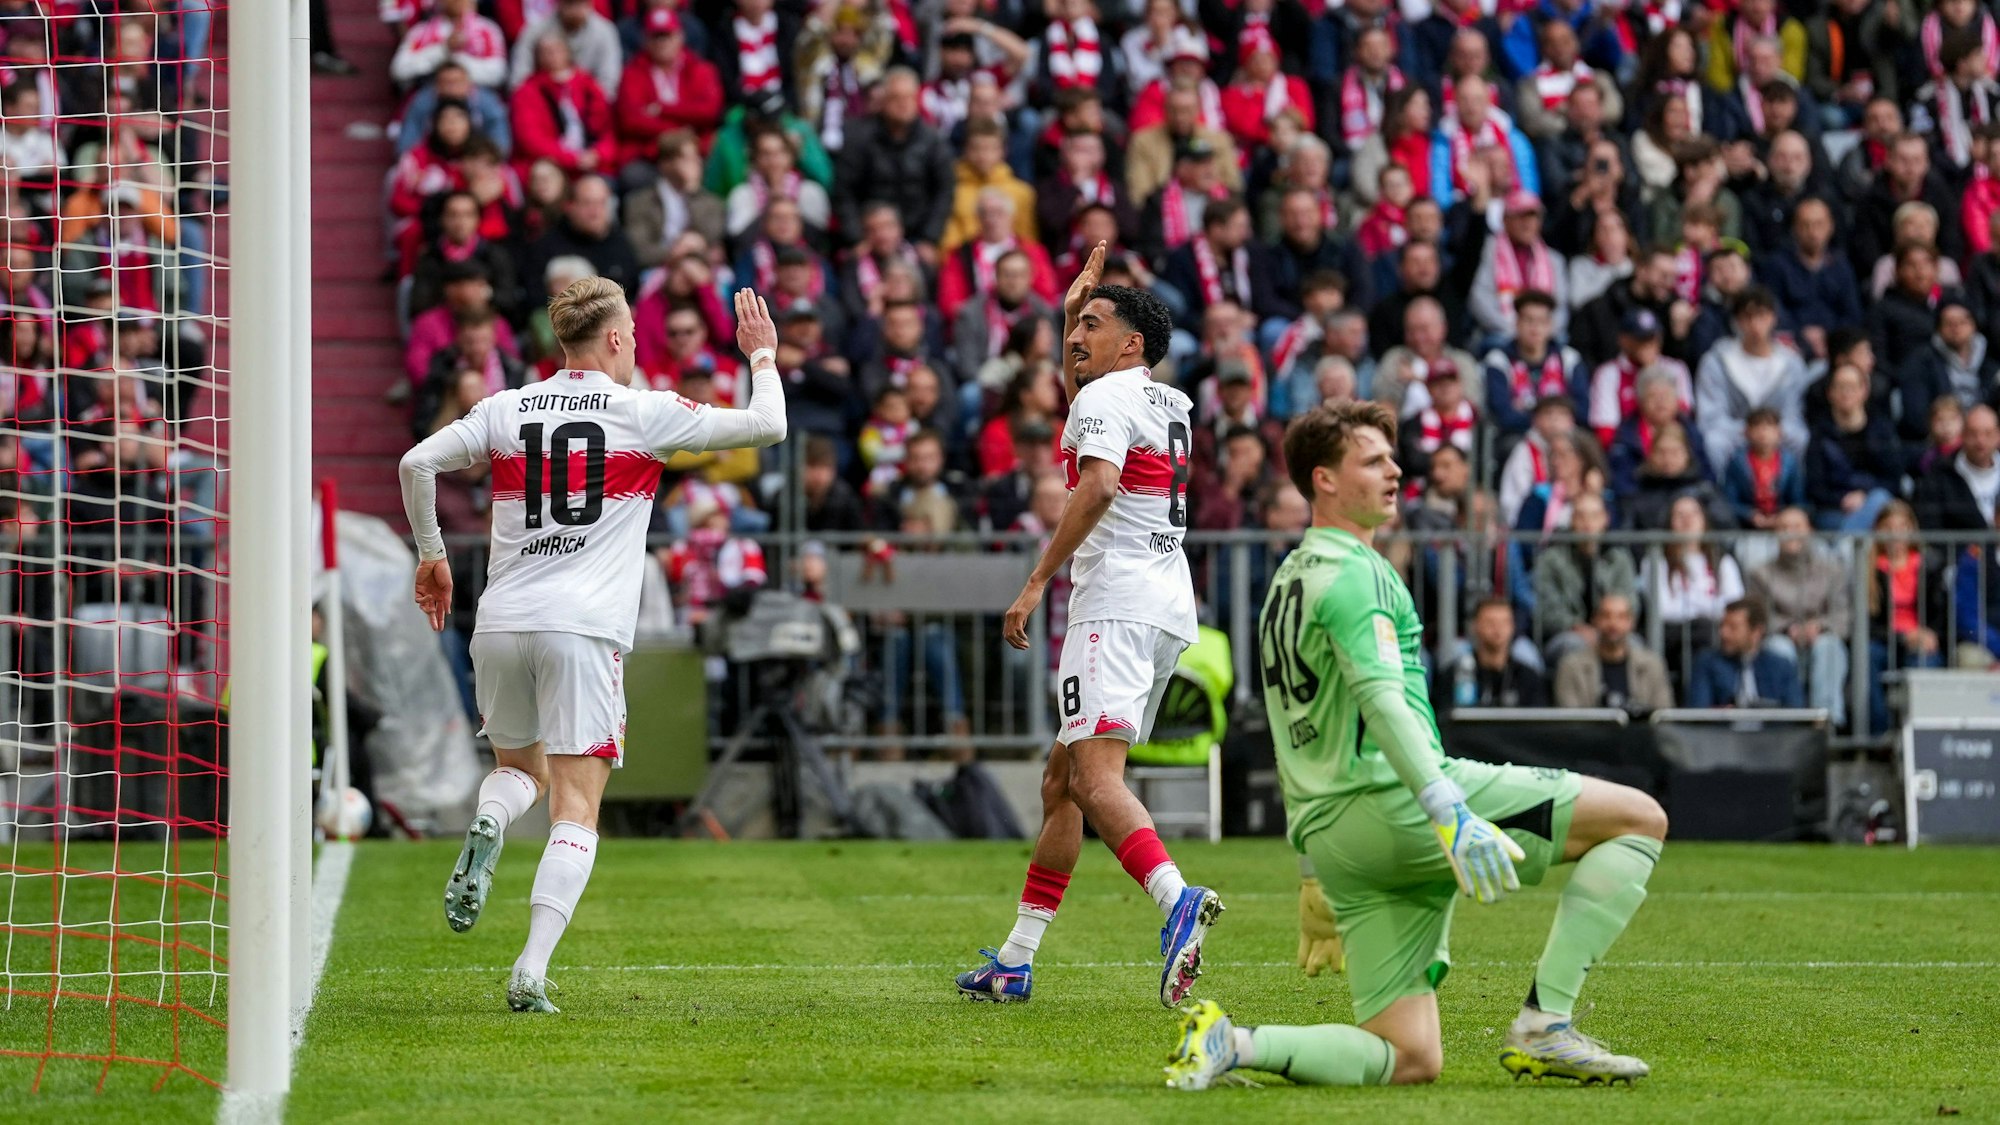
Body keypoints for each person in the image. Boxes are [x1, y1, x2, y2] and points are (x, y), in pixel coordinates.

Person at [1163, 400, 1666, 1092]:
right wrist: (1449, 809)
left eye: (1392, 458)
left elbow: (1292, 724)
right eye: (1373, 460)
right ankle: (1546, 1022)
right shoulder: (1358, 572)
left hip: (1335, 837)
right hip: (1397, 805)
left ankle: (1233, 1042)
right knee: (1639, 819)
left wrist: (1311, 867)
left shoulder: (1286, 580)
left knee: (1409, 1055)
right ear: (1324, 480)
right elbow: (1382, 699)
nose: (1395, 471)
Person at [398, 280, 788, 1012]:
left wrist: (432, 556)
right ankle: (531, 967)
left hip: (500, 622)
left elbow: (415, 463)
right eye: (633, 333)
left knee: (520, 771)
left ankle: (491, 818)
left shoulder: (507, 407)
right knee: (576, 805)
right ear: (613, 339)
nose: (636, 343)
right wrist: (761, 354)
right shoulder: (643, 412)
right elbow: (769, 425)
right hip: (581, 629)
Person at [956, 244, 1220, 1008]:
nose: (1076, 337)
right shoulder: (1166, 402)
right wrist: (1072, 312)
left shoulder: (1104, 400)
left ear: (1130, 344)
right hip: (1165, 603)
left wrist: (1037, 580)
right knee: (1062, 781)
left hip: (1114, 604)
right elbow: (1090, 413)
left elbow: (1099, 482)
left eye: (1093, 325)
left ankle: (1176, 900)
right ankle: (1015, 960)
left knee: (1095, 778)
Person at [1747, 508, 1851, 724]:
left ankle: (1825, 721)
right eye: (1783, 527)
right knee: (1778, 649)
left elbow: (1842, 614)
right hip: (1780, 635)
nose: (1790, 533)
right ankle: (1786, 720)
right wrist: (1789, 629)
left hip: (1821, 636)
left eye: (1796, 527)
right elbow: (1759, 617)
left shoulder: (1832, 569)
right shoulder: (1760, 574)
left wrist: (1818, 626)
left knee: (1829, 646)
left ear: (1810, 531)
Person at [1532, 491, 1637, 665]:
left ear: (1605, 519)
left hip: (1612, 630)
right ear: (1572, 520)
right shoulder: (1551, 559)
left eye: (1594, 516)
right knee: (1574, 646)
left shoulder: (1619, 559)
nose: (1587, 523)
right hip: (1565, 634)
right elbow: (1547, 609)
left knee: (1635, 646)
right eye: (1581, 516)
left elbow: (1629, 603)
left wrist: (1605, 627)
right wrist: (1575, 626)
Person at [1553, 593, 1675, 712]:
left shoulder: (1652, 665)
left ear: (1631, 622)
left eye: (1621, 617)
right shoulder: (1571, 666)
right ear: (1595, 620)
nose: (1613, 623)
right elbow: (1570, 718)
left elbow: (1664, 715)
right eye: (1606, 616)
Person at [1688, 599, 1805, 708]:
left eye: (1733, 627)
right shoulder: (1708, 663)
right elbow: (1699, 711)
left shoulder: (1781, 667)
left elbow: (1794, 711)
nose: (1723, 633)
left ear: (1756, 631)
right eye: (1722, 625)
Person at [1912, 403, 2000, 531]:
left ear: (1998, 436)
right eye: (1973, 433)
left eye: (1988, 433)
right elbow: (1932, 528)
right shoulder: (1939, 475)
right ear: (1962, 435)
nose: (1980, 441)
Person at [1451, 598, 1550, 709]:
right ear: (1476, 626)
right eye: (1490, 622)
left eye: (1504, 623)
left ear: (1513, 627)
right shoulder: (1457, 674)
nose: (1497, 628)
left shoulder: (1528, 678)